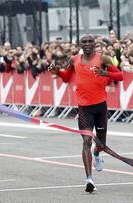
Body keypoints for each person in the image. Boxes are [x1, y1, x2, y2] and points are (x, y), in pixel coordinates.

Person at [49, 34, 123, 193]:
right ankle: (89, 179)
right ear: (80, 44)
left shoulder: (104, 59)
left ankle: (97, 153)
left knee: (100, 145)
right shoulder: (74, 59)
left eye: (90, 41)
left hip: (100, 107)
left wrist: (107, 74)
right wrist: (58, 71)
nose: (88, 44)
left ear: (95, 43)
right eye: (85, 42)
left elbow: (120, 76)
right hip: (84, 108)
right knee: (87, 140)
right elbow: (66, 78)